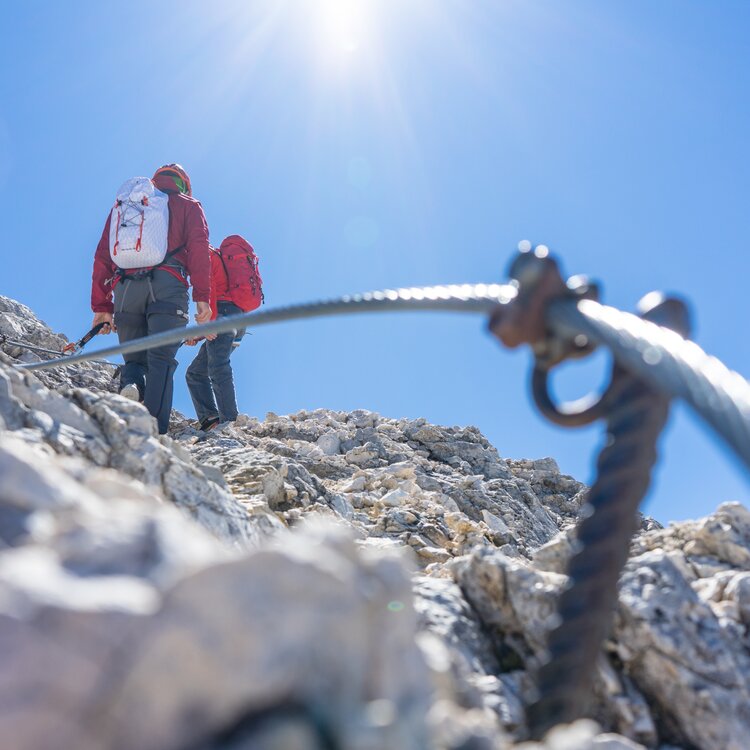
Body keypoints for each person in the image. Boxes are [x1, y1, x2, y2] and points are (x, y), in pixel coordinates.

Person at [90, 163, 212, 434]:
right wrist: (203, 298)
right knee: (161, 361)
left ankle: (131, 386)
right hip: (169, 285)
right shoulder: (189, 205)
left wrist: (102, 306)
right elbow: (199, 249)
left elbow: (102, 255)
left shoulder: (127, 207)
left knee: (134, 359)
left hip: (125, 289)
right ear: (183, 185)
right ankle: (152, 433)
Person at [185, 234, 263, 431]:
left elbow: (208, 290)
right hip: (238, 319)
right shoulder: (218, 256)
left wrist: (207, 324)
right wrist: (201, 333)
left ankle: (229, 422)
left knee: (218, 366)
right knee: (195, 373)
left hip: (224, 314)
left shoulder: (205, 255)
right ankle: (211, 420)